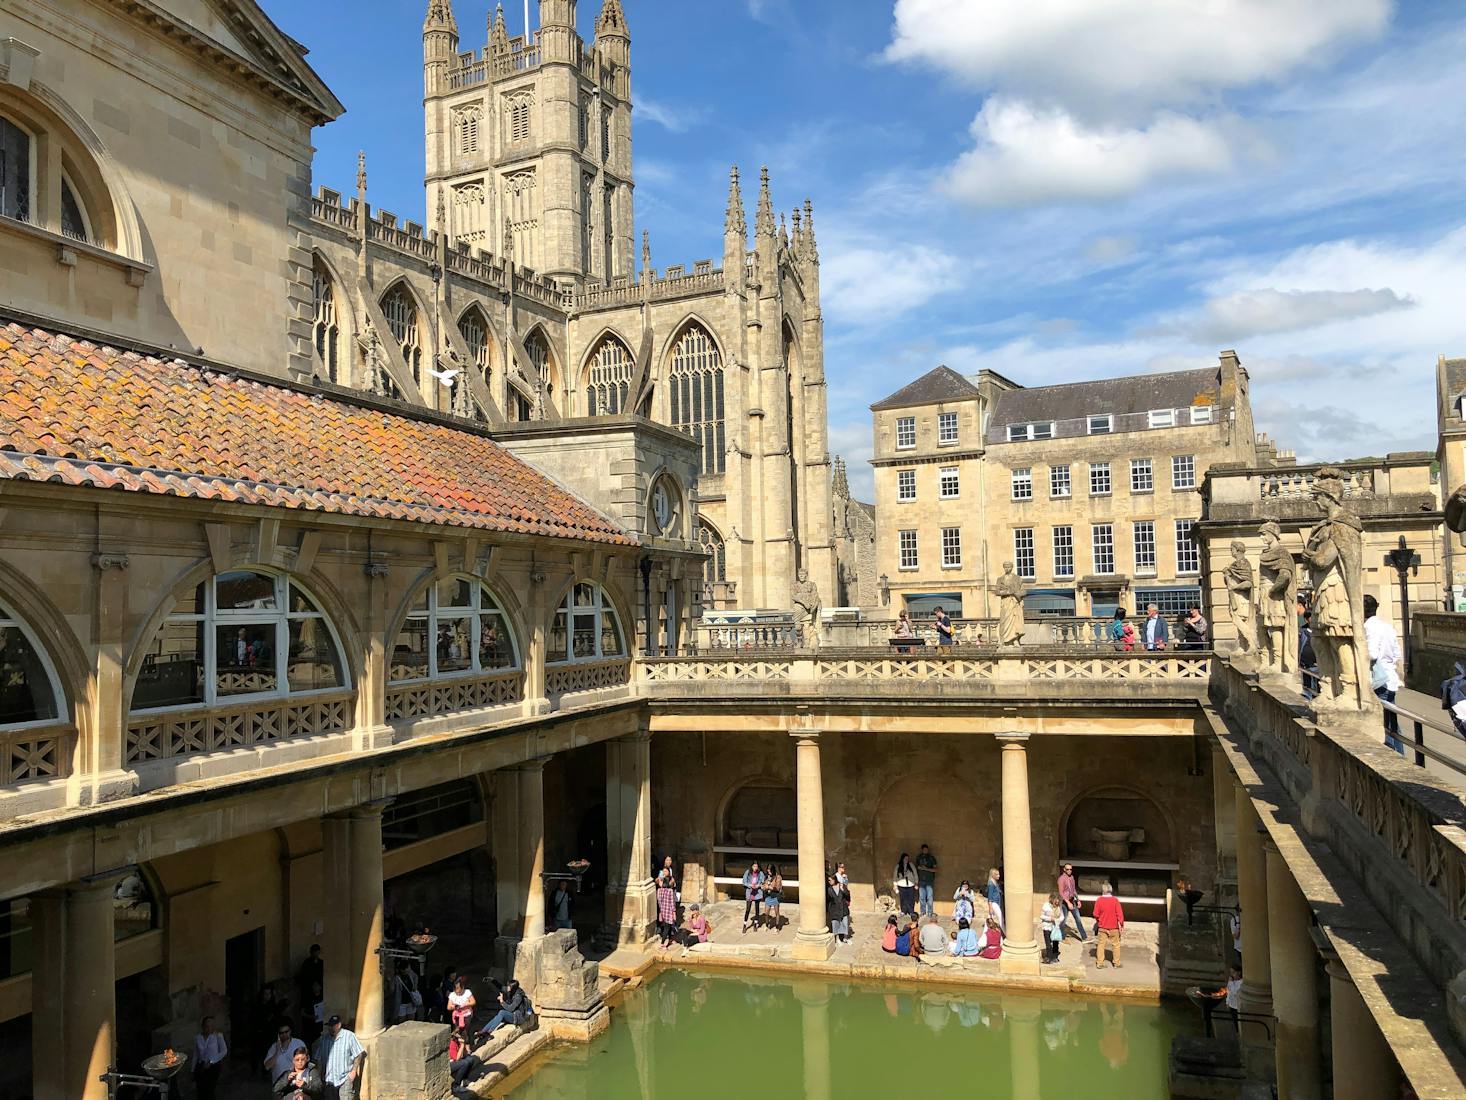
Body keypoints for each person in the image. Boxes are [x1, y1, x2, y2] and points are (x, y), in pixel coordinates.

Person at [1363, 594, 1404, 753]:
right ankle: (1399, 755)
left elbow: (1372, 654)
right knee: (1392, 723)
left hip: (1378, 680)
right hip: (1391, 679)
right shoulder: (1387, 626)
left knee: (1380, 722)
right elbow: (1396, 655)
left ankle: (1392, 754)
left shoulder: (1369, 628)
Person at [314, 1015, 365, 1100]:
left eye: (333, 1026)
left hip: (345, 1078)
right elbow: (319, 1058)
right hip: (329, 1080)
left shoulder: (349, 1036)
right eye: (329, 1026)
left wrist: (353, 1071)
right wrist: (319, 1076)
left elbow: (359, 1053)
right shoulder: (324, 1039)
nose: (331, 1028)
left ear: (339, 1025)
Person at [193, 1016, 227, 1100]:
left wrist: (211, 1061)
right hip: (201, 1066)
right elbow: (196, 1055)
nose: (209, 1028)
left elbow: (224, 1051)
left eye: (211, 1026)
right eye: (207, 1026)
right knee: (200, 1091)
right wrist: (193, 1069)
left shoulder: (218, 1036)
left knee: (210, 1090)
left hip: (213, 1066)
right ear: (203, 1026)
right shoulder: (198, 1038)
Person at [264, 1021, 308, 1086]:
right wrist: (277, 1051)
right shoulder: (274, 1047)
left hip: (296, 1084)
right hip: (278, 1085)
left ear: (290, 1031)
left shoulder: (299, 1043)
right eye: (281, 1033)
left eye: (286, 1032)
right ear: (278, 1034)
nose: (284, 1034)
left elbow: (306, 1062)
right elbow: (267, 1066)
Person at [1092, 882, 1125, 968]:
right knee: (1116, 944)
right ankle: (1116, 963)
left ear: (1103, 890)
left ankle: (1099, 963)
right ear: (1111, 890)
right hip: (1114, 927)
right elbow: (1120, 915)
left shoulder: (1099, 900)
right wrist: (1121, 925)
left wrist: (1099, 920)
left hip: (1102, 926)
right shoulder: (1115, 900)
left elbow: (1095, 914)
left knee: (1101, 944)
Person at [1057, 863, 1086, 940]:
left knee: (1078, 919)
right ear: (1064, 869)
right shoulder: (1061, 879)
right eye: (1067, 869)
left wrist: (1078, 900)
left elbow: (1073, 890)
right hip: (1065, 902)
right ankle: (1061, 937)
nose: (1069, 871)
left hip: (1072, 900)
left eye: (1070, 869)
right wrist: (1067, 902)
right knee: (1063, 920)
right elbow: (1061, 893)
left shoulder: (1072, 877)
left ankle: (1084, 937)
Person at [826, 873, 851, 942]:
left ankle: (846, 938)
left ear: (834, 880)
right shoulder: (829, 889)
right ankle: (837, 939)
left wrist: (842, 889)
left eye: (830, 880)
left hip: (843, 908)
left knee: (845, 923)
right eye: (828, 880)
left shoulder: (841, 885)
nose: (829, 881)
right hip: (834, 909)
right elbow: (828, 899)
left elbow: (847, 895)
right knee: (835, 924)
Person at [916, 843, 938, 918]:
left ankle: (930, 912)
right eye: (924, 849)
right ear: (922, 850)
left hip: (929, 880)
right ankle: (922, 912)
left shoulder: (931, 858)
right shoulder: (919, 857)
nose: (925, 851)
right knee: (922, 897)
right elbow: (917, 868)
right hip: (921, 880)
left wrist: (926, 869)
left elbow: (935, 869)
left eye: (926, 849)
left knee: (929, 896)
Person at [656, 878, 679, 947]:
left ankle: (669, 940)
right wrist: (674, 912)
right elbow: (672, 903)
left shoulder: (659, 890)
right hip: (669, 911)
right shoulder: (670, 891)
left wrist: (661, 910)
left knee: (667, 926)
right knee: (667, 927)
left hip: (663, 910)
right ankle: (662, 943)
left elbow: (659, 902)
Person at [741, 861, 764, 932]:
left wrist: (757, 886)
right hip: (750, 892)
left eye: (756, 866)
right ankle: (745, 924)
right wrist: (750, 885)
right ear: (751, 866)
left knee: (757, 909)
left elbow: (762, 882)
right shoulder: (747, 872)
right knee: (748, 909)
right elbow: (744, 882)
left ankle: (755, 924)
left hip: (757, 892)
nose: (755, 868)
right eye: (754, 866)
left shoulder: (760, 873)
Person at [894, 853, 919, 918]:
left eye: (907, 858)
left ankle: (911, 911)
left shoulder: (911, 865)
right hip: (901, 885)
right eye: (905, 858)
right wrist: (895, 885)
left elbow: (915, 874)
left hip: (910, 885)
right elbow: (895, 876)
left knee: (911, 898)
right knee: (903, 899)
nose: (907, 860)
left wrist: (916, 883)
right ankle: (903, 911)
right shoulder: (898, 866)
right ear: (902, 859)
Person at [1040, 893, 1061, 964]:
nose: (1057, 903)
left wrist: (1058, 920)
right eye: (1056, 902)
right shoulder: (1046, 906)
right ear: (1052, 900)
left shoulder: (1058, 907)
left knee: (1055, 942)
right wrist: (1050, 918)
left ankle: (1055, 957)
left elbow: (1062, 916)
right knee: (1048, 943)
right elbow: (1041, 916)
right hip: (1046, 926)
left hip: (1055, 927)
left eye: (1058, 902)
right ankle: (1049, 957)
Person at [764, 864, 783, 931]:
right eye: (768, 871)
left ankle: (777, 927)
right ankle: (767, 924)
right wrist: (763, 887)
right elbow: (764, 884)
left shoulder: (778, 877)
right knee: (766, 912)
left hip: (775, 896)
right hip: (768, 896)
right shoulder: (767, 877)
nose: (769, 872)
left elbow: (777, 888)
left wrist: (769, 887)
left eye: (770, 871)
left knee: (776, 912)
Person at [985, 867, 1005, 934]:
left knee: (990, 919)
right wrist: (990, 907)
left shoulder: (995, 883)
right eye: (997, 874)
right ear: (993, 875)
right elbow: (990, 897)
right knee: (1000, 918)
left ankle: (985, 933)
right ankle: (1004, 933)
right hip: (994, 903)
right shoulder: (991, 884)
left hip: (996, 903)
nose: (999, 876)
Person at [1224, 964, 1243, 1032]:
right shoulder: (1231, 981)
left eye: (1233, 972)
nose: (1231, 974)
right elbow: (1228, 992)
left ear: (1239, 972)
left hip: (1237, 1006)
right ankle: (1237, 1032)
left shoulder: (1241, 982)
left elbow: (1235, 992)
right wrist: (1227, 1002)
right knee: (1234, 1021)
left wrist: (1231, 982)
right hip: (1232, 1005)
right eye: (1231, 972)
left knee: (1239, 1022)